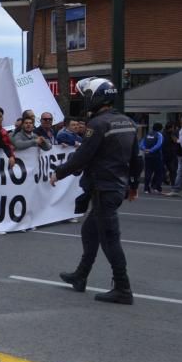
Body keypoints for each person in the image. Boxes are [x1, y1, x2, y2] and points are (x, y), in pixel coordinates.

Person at [52, 78, 142, 305]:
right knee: (90, 231)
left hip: (104, 187)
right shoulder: (128, 122)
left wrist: (58, 172)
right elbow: (137, 158)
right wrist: (133, 185)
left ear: (96, 97)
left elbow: (83, 156)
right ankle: (80, 276)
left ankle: (123, 288)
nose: (85, 102)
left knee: (110, 238)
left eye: (87, 97)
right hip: (116, 187)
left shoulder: (98, 124)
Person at [139, 122, 165, 194]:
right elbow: (159, 144)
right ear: (160, 129)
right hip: (157, 156)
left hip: (147, 156)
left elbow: (141, 144)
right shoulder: (159, 134)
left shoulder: (147, 134)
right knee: (158, 172)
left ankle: (146, 189)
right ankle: (157, 188)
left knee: (148, 172)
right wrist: (151, 150)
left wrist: (145, 150)